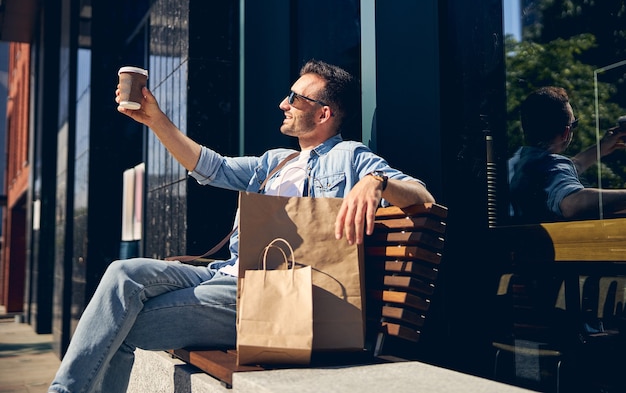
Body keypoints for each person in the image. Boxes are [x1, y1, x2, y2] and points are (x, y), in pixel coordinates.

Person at [47, 59, 435, 393]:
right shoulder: (275, 161)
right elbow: (209, 167)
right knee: (122, 273)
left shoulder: (349, 156)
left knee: (119, 325)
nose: (284, 104)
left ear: (324, 113)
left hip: (274, 297)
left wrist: (375, 182)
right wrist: (154, 119)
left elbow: (422, 195)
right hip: (222, 277)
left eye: (296, 99)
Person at [508, 86, 626, 223]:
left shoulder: (516, 162)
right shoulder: (551, 166)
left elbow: (571, 167)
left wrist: (602, 146)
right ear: (566, 133)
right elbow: (572, 204)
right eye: (574, 124)